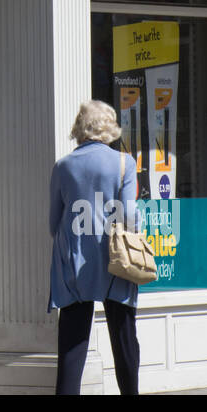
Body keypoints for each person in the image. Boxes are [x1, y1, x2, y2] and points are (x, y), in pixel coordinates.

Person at [49, 99, 140, 395]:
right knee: (124, 340)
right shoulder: (124, 163)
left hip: (74, 260)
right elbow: (128, 215)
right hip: (116, 260)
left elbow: (54, 222)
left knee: (72, 347)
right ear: (109, 127)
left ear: (81, 128)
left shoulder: (63, 166)